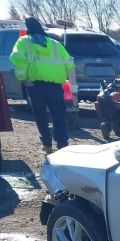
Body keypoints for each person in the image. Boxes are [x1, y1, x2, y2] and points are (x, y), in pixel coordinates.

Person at [10, 17, 74, 154]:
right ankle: (62, 145)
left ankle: (47, 145)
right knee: (59, 116)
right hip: (55, 86)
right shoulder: (55, 44)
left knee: (41, 116)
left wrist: (23, 78)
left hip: (35, 86)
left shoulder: (24, 41)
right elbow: (70, 63)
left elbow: (18, 59)